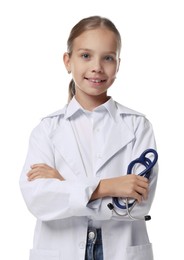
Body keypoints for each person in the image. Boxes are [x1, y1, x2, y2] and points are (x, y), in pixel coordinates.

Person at [19, 15, 158, 260]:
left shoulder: (138, 126)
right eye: (86, 56)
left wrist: (64, 184)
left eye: (108, 57)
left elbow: (139, 205)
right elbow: (38, 199)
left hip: (121, 250)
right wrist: (107, 187)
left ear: (118, 64)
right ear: (67, 61)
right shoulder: (46, 130)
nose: (97, 66)